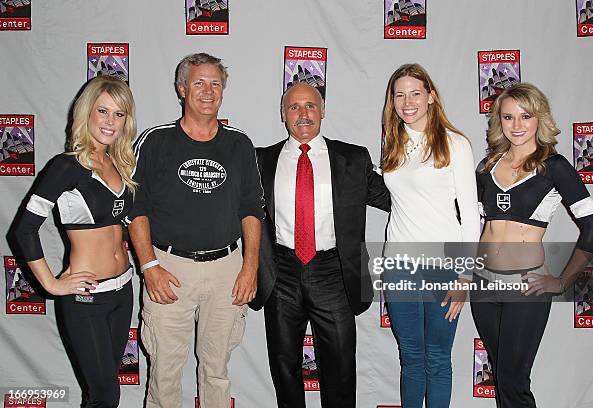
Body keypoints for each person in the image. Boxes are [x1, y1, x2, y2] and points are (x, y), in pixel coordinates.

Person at [127, 52, 264, 408]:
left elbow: (252, 210)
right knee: (165, 371)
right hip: (169, 268)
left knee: (217, 371)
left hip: (226, 270)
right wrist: (149, 267)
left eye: (215, 83)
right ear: (182, 89)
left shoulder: (240, 145)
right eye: (199, 82)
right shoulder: (155, 142)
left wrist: (250, 268)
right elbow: (135, 209)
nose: (208, 91)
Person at [249, 82, 390, 408]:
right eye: (295, 107)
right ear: (283, 114)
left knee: (340, 369)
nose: (303, 114)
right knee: (285, 367)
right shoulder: (260, 160)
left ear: (323, 111)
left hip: (334, 272)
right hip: (281, 271)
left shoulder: (353, 158)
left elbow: (395, 199)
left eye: (311, 106)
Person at [471, 83, 593, 408]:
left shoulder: (554, 166)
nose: (516, 125)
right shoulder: (486, 166)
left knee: (515, 383)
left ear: (539, 119)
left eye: (525, 116)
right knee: (502, 377)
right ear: (498, 121)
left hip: (525, 287)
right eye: (508, 117)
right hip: (483, 285)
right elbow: (470, 225)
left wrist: (561, 281)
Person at [15, 75, 137, 408]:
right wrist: (51, 285)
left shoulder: (120, 164)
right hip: (86, 299)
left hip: (123, 292)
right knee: (105, 396)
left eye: (119, 114)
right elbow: (23, 230)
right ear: (86, 113)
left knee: (105, 391)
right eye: (103, 111)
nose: (110, 122)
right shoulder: (66, 167)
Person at [380, 64, 480, 408]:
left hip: (443, 267)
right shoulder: (393, 144)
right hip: (398, 267)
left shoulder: (456, 144)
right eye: (399, 95)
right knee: (411, 357)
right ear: (392, 101)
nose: (407, 102)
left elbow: (470, 215)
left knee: (437, 358)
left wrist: (465, 275)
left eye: (415, 93)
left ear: (431, 97)